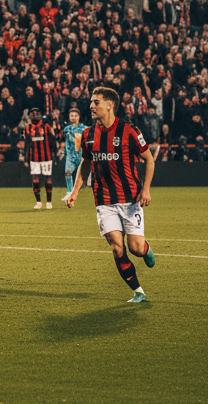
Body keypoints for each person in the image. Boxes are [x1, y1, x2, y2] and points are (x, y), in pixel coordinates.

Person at [65, 86, 156, 303]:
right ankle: (138, 291)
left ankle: (145, 249)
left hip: (130, 199)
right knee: (117, 247)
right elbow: (85, 165)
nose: (91, 106)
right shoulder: (87, 135)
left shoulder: (129, 130)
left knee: (135, 248)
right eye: (91, 102)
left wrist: (146, 189)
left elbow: (149, 159)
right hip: (104, 201)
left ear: (109, 105)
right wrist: (74, 191)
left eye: (96, 102)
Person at [23, 106, 57, 209]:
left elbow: (53, 141)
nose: (35, 115)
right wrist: (26, 158)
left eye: (37, 113)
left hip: (46, 157)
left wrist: (54, 154)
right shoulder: (27, 128)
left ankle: (49, 202)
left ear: (40, 115)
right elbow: (27, 144)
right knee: (35, 178)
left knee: (47, 177)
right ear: (29, 116)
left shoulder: (46, 126)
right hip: (34, 157)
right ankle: (38, 202)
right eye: (32, 113)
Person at [61, 106, 88, 200]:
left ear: (78, 117)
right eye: (71, 115)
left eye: (75, 116)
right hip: (70, 155)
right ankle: (69, 192)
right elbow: (65, 141)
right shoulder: (66, 129)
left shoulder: (84, 128)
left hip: (81, 155)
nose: (73, 117)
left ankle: (76, 192)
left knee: (81, 175)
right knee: (68, 173)